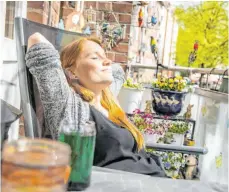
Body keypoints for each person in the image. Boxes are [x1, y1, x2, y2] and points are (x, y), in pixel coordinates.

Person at [25, 33, 166, 177]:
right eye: (94, 57)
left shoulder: (107, 100)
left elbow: (117, 71)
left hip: (155, 178)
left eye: (105, 56)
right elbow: (36, 39)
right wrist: (67, 79)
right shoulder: (70, 107)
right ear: (72, 73)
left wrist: (96, 55)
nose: (107, 62)